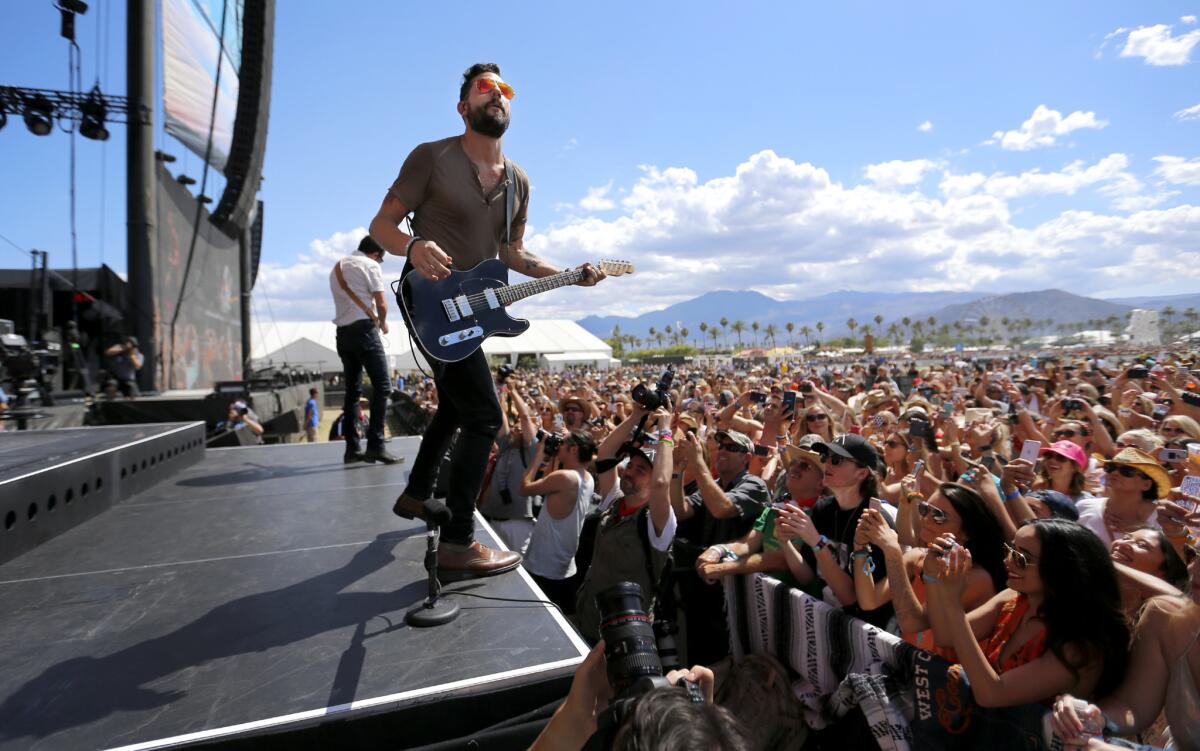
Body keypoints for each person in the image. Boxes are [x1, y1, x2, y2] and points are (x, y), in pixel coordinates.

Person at [372, 63, 605, 579]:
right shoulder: (431, 157)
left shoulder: (519, 181)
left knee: (458, 407)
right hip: (429, 299)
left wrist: (569, 275)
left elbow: (512, 253)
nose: (496, 95)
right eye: (485, 88)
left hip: (473, 310)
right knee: (483, 415)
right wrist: (412, 245)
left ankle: (416, 494)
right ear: (463, 107)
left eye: (504, 89)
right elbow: (381, 225)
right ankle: (458, 541)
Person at [923, 518, 1130, 708]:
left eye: (1021, 558)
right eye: (1010, 549)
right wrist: (932, 575)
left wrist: (952, 603)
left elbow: (993, 695)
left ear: (1061, 571)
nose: (1008, 561)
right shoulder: (1012, 599)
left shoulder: (1080, 645)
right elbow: (945, 636)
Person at [1050, 539, 1199, 750]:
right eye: (1193, 553)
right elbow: (1132, 706)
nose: (1193, 566)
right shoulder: (1167, 617)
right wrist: (1092, 716)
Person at [575, 406, 676, 643]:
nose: (630, 472)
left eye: (641, 470)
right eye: (630, 466)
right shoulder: (615, 500)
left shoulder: (657, 519)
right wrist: (636, 416)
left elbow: (662, 483)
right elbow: (605, 455)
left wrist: (665, 431)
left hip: (625, 637)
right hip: (589, 619)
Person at [328, 235, 400, 466]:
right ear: (377, 254)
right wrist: (384, 322)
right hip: (364, 331)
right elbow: (382, 304)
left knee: (352, 391)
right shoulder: (369, 265)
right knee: (383, 387)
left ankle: (352, 449)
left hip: (342, 334)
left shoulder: (337, 267)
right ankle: (376, 446)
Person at [520, 430, 597, 613]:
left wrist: (539, 454)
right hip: (563, 566)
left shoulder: (564, 477)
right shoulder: (587, 477)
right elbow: (551, 481)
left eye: (563, 443)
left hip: (543, 566)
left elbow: (523, 489)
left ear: (574, 449)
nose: (558, 446)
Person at [1076, 448, 1171, 547]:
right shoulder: (1084, 506)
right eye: (1110, 467)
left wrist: (1142, 530)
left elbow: (1174, 555)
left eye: (1127, 471)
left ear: (1146, 485)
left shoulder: (1162, 517)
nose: (1114, 473)